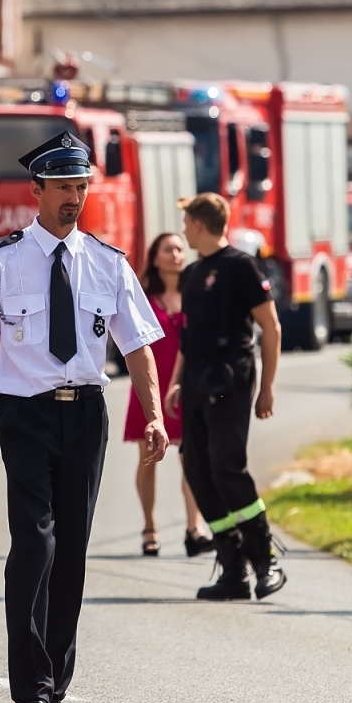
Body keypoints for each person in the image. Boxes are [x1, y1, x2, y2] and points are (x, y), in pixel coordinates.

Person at [0, 132, 168, 703]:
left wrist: (154, 416)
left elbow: (138, 346)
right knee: (35, 541)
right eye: (64, 187)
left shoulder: (107, 262)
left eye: (81, 186)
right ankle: (30, 687)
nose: (75, 197)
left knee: (71, 549)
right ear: (36, 190)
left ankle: (56, 683)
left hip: (86, 412)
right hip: (25, 413)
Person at [171, 195, 285, 600]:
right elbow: (187, 336)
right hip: (198, 378)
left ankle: (265, 559)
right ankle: (232, 569)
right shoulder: (192, 273)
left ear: (199, 224)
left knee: (226, 466)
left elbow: (270, 328)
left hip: (231, 375)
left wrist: (267, 386)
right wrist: (176, 381)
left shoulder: (241, 266)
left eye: (186, 222)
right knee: (197, 469)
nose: (183, 230)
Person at [131, 231, 210, 557]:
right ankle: (150, 526)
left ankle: (195, 527)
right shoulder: (143, 296)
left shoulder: (196, 293)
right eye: (168, 249)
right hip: (149, 386)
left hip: (186, 387)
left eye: (180, 249)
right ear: (155, 256)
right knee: (148, 460)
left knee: (191, 459)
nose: (176, 254)